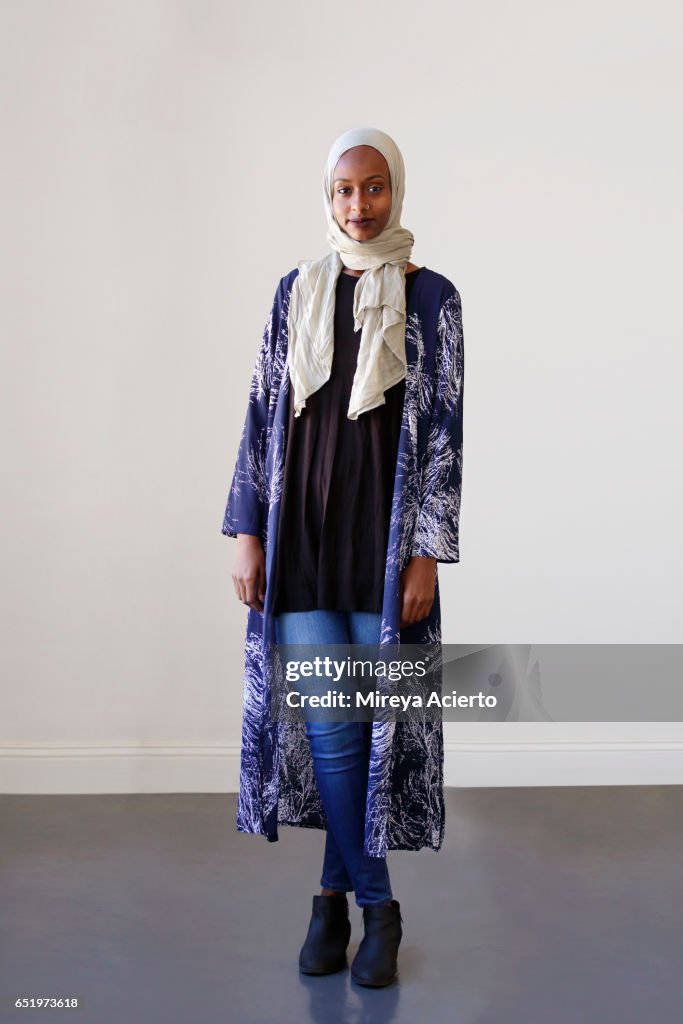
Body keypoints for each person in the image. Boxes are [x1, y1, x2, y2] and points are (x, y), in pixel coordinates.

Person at [221, 126, 464, 987]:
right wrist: (248, 529)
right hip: (304, 545)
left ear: (395, 191)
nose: (358, 207)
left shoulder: (433, 298)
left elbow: (442, 433)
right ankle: (378, 909)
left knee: (362, 733)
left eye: (373, 189)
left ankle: (330, 901)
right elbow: (260, 413)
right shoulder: (296, 291)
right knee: (331, 730)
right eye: (342, 191)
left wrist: (428, 552)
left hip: (383, 546)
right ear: (326, 198)